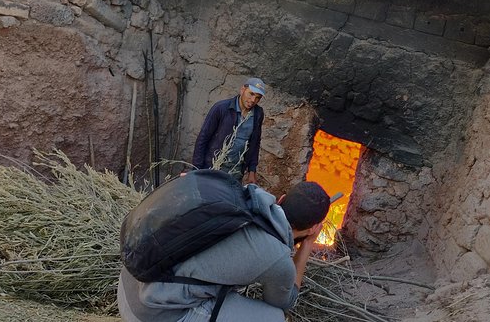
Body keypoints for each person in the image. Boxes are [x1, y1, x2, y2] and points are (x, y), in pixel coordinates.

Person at [117, 181, 331, 322]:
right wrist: (308, 245)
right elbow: (285, 301)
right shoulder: (277, 259)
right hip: (148, 312)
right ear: (313, 228)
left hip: (130, 280)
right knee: (273, 318)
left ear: (282, 199)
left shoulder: (243, 196)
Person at [192, 78, 266, 184]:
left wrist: (252, 170)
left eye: (258, 97)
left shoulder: (258, 114)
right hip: (213, 168)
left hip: (235, 171)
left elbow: (255, 143)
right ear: (242, 90)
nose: (253, 100)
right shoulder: (221, 108)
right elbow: (203, 138)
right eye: (251, 94)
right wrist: (196, 169)